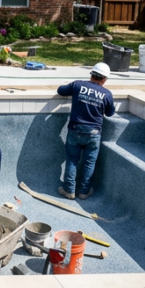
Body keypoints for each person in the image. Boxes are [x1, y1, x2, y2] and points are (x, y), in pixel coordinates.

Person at [56, 62, 117, 200]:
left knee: (72, 160)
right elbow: (110, 113)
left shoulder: (77, 85)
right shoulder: (106, 94)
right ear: (104, 79)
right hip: (93, 134)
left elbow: (60, 90)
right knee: (89, 163)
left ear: (91, 75)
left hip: (75, 130)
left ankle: (69, 190)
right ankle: (84, 192)